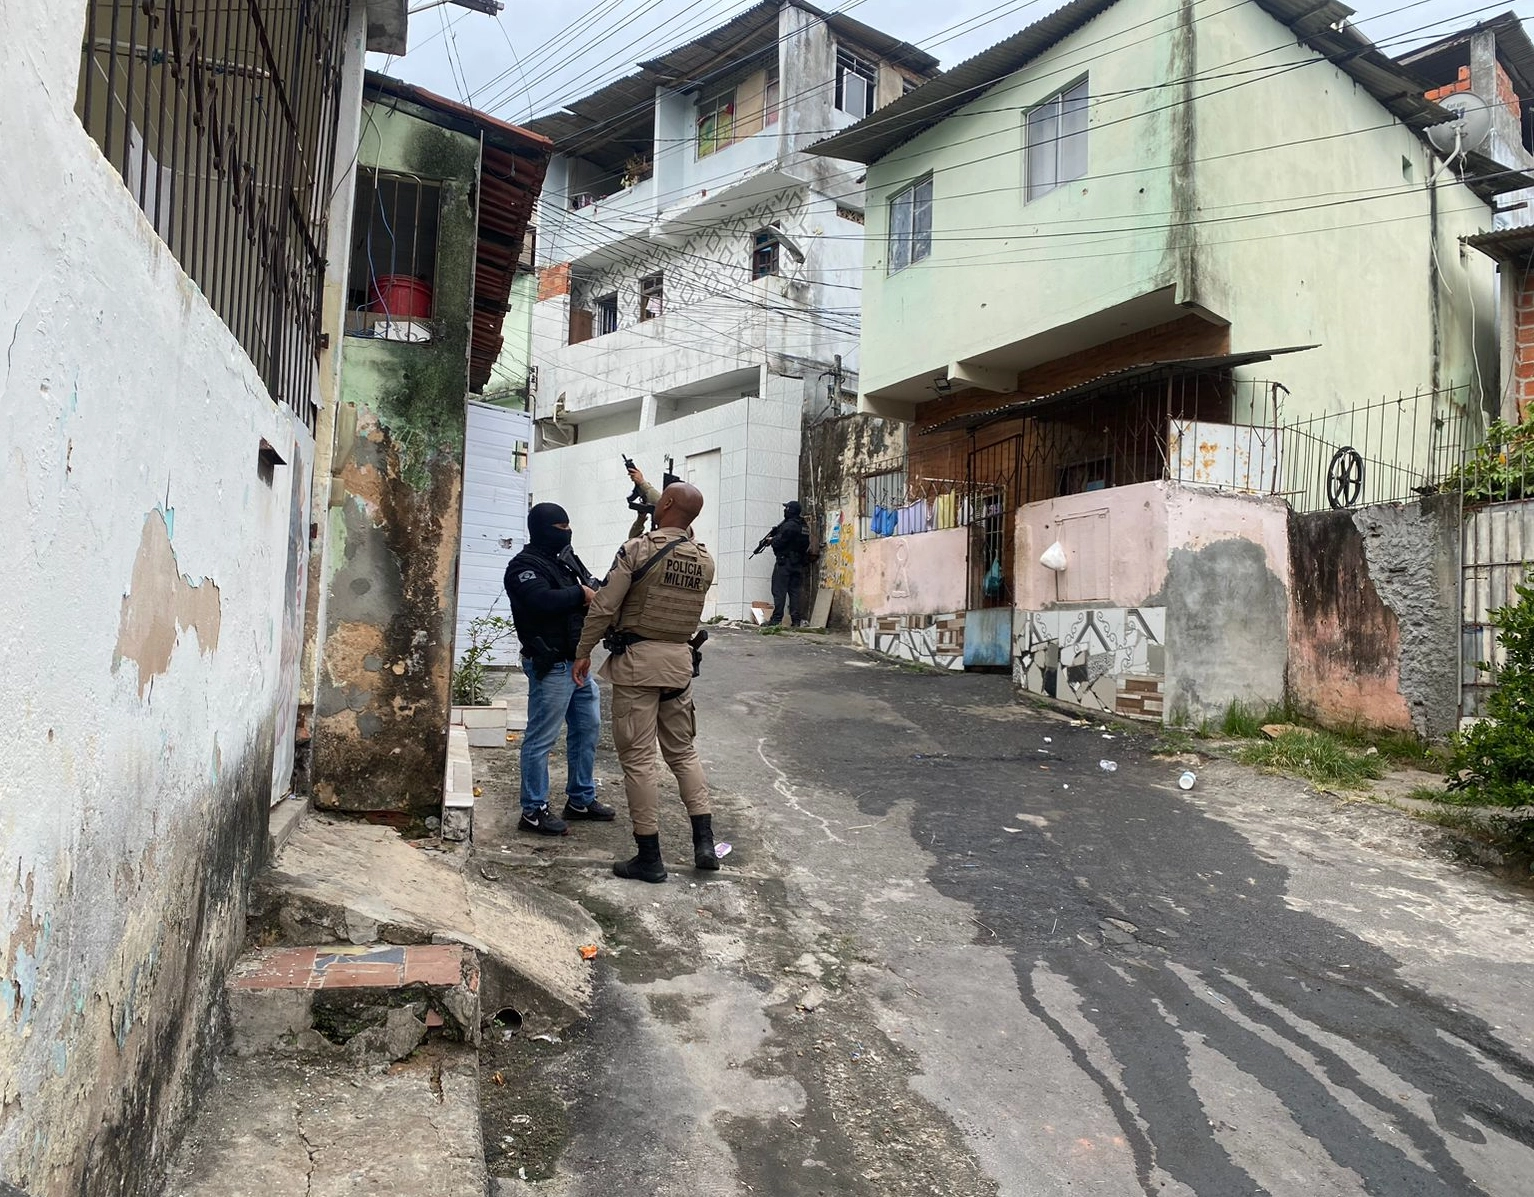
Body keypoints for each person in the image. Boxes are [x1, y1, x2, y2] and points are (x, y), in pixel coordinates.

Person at [573, 482, 717, 883]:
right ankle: (704, 843)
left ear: (666, 504)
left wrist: (584, 651)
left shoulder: (638, 549)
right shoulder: (705, 559)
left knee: (639, 761)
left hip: (638, 665)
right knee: (683, 754)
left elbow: (604, 604)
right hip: (679, 664)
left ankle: (649, 857)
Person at [503, 503, 617, 835]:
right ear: (540, 529)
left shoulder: (565, 562)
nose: (566, 532)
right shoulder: (523, 567)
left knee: (587, 729)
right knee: (541, 739)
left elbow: (593, 589)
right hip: (551, 664)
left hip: (577, 662)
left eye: (568, 526)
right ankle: (533, 810)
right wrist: (579, 593)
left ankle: (580, 799)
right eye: (559, 526)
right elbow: (541, 601)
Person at [762, 500, 812, 627]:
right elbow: (805, 544)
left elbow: (780, 542)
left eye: (786, 509)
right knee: (794, 592)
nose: (784, 511)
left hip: (785, 562)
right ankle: (796, 621)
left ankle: (776, 620)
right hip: (798, 563)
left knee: (779, 591)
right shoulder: (804, 526)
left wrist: (772, 541)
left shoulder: (788, 526)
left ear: (790, 511)